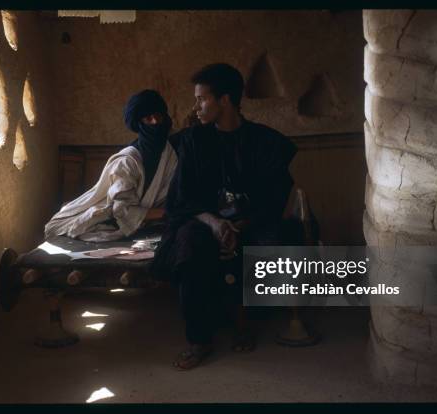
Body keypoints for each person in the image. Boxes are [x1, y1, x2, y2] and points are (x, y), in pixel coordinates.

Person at [151, 63, 301, 370]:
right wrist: (215, 222)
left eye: (202, 99)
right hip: (203, 220)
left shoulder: (264, 142)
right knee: (189, 245)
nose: (197, 106)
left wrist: (241, 223)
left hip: (251, 219)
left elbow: (274, 195)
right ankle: (198, 340)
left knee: (264, 241)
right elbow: (182, 198)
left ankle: (243, 323)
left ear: (225, 100)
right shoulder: (193, 141)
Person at [44, 90, 177, 242]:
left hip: (144, 222)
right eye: (148, 118)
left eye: (158, 116)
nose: (155, 122)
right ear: (139, 124)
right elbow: (122, 210)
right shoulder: (127, 161)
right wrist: (168, 212)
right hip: (105, 218)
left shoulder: (169, 153)